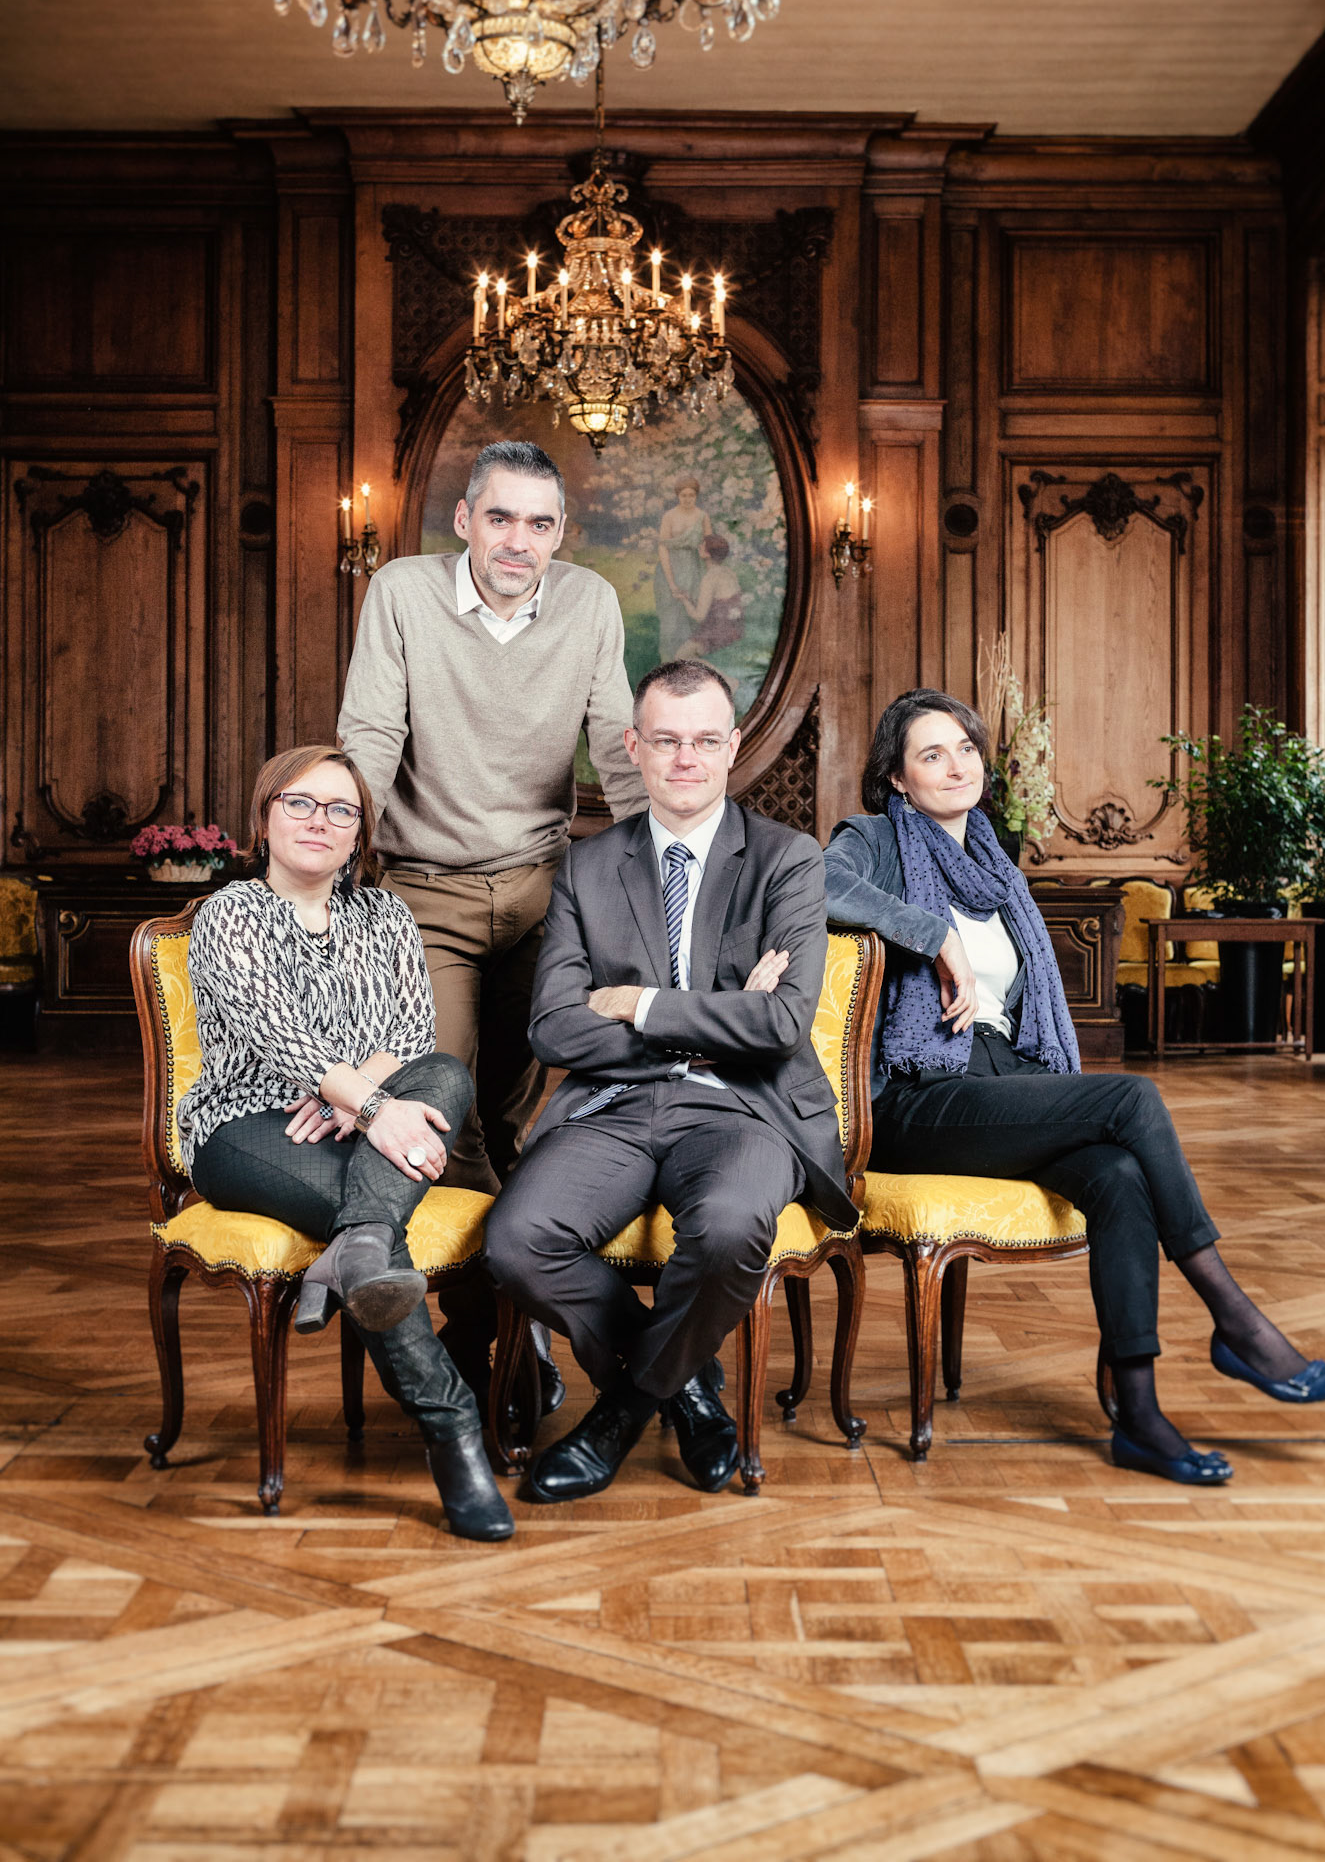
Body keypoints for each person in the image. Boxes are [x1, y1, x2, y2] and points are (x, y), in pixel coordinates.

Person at [825, 688, 1325, 1488]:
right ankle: (1232, 1315)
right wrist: (934, 938)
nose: (955, 766)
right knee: (1132, 1099)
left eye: (964, 748)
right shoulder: (872, 841)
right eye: (930, 754)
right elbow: (815, 886)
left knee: (1120, 1174)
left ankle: (1138, 1415)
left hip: (1001, 1081)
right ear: (896, 778)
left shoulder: (995, 866)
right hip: (915, 1095)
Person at [483, 659, 856, 1504]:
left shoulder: (786, 859)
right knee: (516, 1240)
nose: (685, 759)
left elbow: (779, 1025)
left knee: (729, 1228)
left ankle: (616, 1417)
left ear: (731, 747)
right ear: (633, 747)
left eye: (703, 741)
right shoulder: (587, 867)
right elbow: (553, 1028)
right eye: (665, 741)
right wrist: (714, 1021)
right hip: (611, 1108)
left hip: (744, 1109)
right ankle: (686, 1388)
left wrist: (637, 1003)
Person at [338, 439, 648, 1403]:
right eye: (501, 517)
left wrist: (667, 874)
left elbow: (619, 748)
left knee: (517, 1115)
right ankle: (505, 1329)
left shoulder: (589, 603)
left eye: (539, 523)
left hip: (545, 887)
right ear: (464, 519)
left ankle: (504, 1327)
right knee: (448, 1105)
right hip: (424, 890)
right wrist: (338, 859)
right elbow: (370, 736)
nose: (519, 541)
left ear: (560, 533)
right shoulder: (401, 592)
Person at [176, 745, 514, 1542]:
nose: (318, 821)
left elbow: (412, 1034)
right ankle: (455, 1433)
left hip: (356, 1123)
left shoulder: (385, 914)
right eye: (298, 803)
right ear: (264, 818)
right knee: (386, 1219)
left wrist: (358, 1102)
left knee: (444, 1074)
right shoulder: (231, 913)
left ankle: (354, 1249)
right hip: (246, 1128)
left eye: (340, 810)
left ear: (360, 831)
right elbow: (278, 1034)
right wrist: (371, 1106)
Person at [654, 476, 711, 662]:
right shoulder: (669, 516)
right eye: (683, 495)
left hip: (694, 569)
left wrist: (710, 576)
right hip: (670, 568)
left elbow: (709, 546)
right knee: (670, 618)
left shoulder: (702, 516)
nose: (687, 499)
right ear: (678, 496)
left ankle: (688, 662)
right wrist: (671, 582)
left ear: (696, 496)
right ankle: (667, 661)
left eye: (691, 495)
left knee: (692, 615)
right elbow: (663, 548)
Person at [678, 534, 745, 660]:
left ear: (708, 554)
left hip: (719, 631)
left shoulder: (710, 578)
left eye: (702, 546)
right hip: (735, 628)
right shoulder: (729, 572)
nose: (699, 547)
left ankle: (721, 674)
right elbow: (720, 604)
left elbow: (699, 616)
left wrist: (684, 600)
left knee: (681, 656)